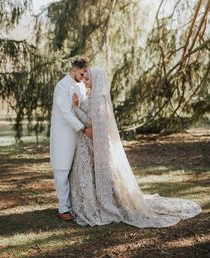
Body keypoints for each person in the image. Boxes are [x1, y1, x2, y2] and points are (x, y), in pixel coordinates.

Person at [69, 66, 202, 227]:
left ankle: (100, 204)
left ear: (97, 79)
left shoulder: (99, 99)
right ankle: (90, 202)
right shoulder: (93, 96)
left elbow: (92, 122)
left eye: (88, 78)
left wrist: (76, 108)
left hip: (92, 142)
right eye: (85, 77)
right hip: (87, 143)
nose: (84, 80)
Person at [50, 57, 93, 221]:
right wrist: (83, 129)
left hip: (78, 136)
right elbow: (66, 113)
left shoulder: (81, 85)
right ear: (75, 70)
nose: (83, 77)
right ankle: (63, 208)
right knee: (62, 170)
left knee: (74, 171)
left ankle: (74, 204)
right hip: (63, 135)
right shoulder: (61, 86)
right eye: (82, 74)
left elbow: (79, 108)